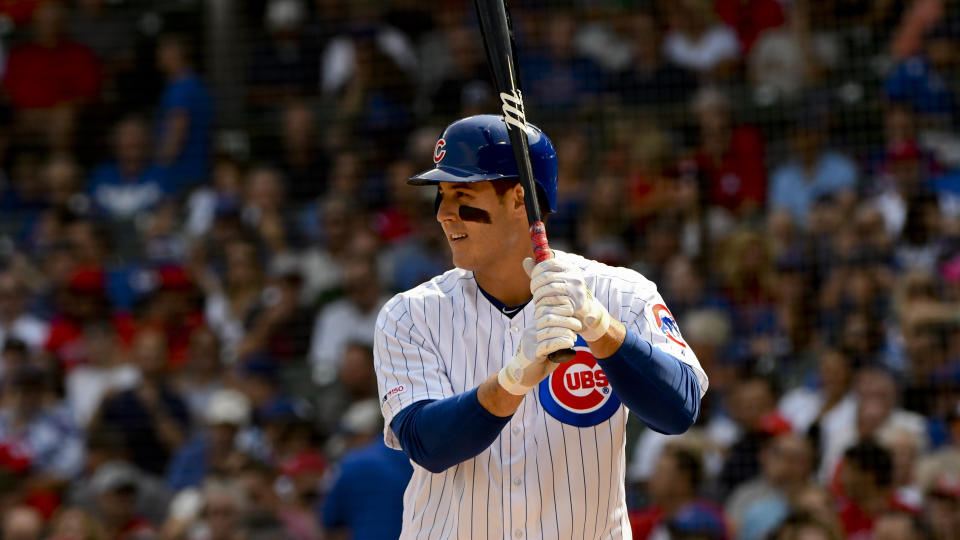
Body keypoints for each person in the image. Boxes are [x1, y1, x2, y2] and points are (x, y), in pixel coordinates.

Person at [373, 114, 708, 538]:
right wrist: (512, 380)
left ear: (518, 198)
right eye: (440, 196)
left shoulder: (622, 295)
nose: (443, 214)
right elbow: (427, 445)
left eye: (461, 194)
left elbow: (679, 410)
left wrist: (601, 328)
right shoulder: (410, 313)